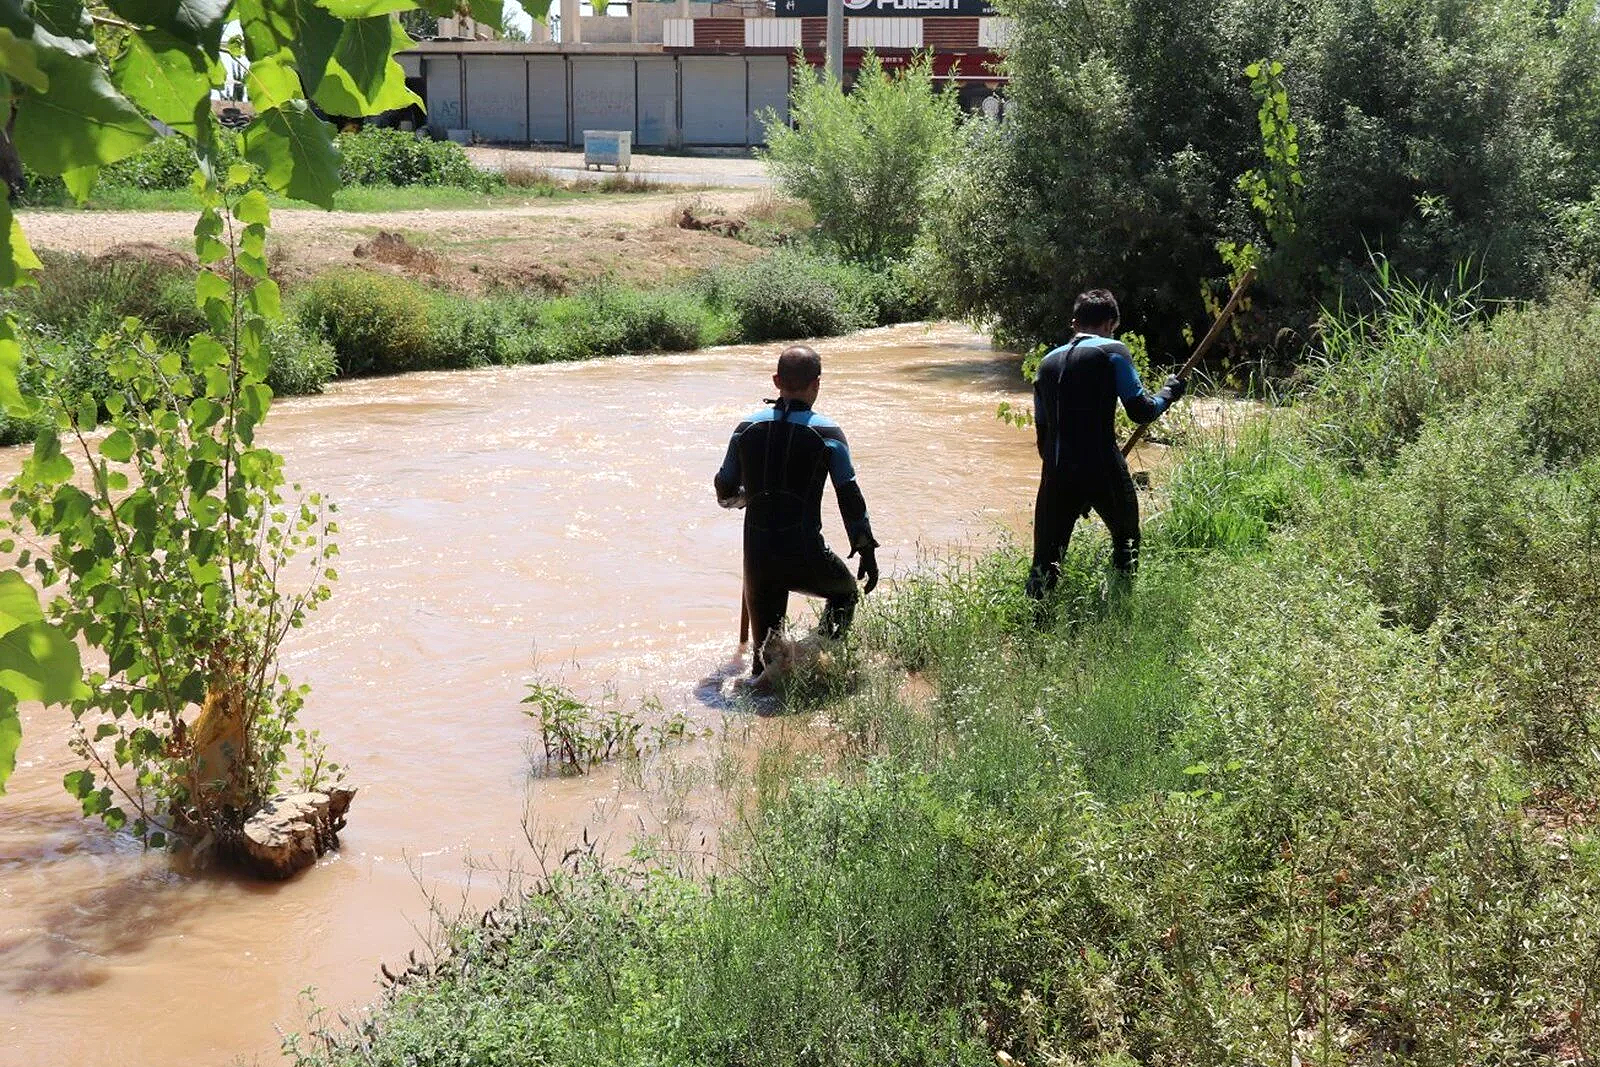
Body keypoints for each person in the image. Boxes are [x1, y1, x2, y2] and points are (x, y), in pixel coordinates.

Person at [715, 345, 879, 674]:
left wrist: (749, 497)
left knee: (763, 662)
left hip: (758, 558)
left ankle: (764, 695)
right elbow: (849, 495)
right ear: (816, 384)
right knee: (846, 595)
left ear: (776, 380)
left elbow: (724, 490)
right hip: (805, 553)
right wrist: (865, 549)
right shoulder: (827, 433)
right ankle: (816, 662)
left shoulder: (745, 428)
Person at [1027, 288, 1185, 599]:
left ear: (1074, 323)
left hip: (1056, 472)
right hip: (1101, 466)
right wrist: (1170, 392)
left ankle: (1036, 622)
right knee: (1126, 539)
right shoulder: (1114, 351)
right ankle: (1121, 605)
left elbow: (1043, 436)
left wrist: (1067, 480)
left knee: (1045, 559)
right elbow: (1141, 410)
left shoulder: (1045, 364)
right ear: (1111, 323)